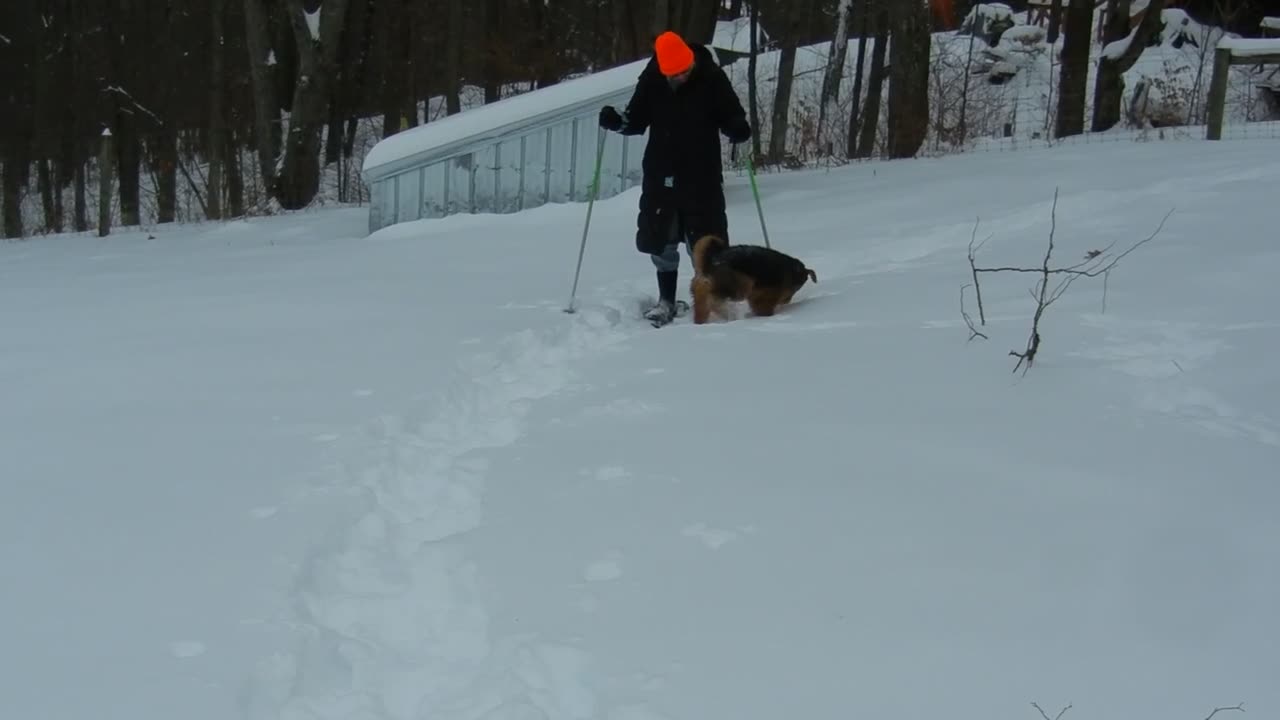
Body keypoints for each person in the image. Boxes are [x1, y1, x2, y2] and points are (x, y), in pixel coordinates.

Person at [599, 30, 752, 327]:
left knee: (707, 241)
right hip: (661, 171)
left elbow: (733, 115)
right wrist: (618, 122)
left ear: (691, 60)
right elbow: (636, 119)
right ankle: (666, 300)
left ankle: (711, 300)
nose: (680, 77)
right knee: (662, 239)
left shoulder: (711, 76)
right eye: (673, 74)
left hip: (701, 173)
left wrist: (737, 127)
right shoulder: (653, 78)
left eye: (684, 71)